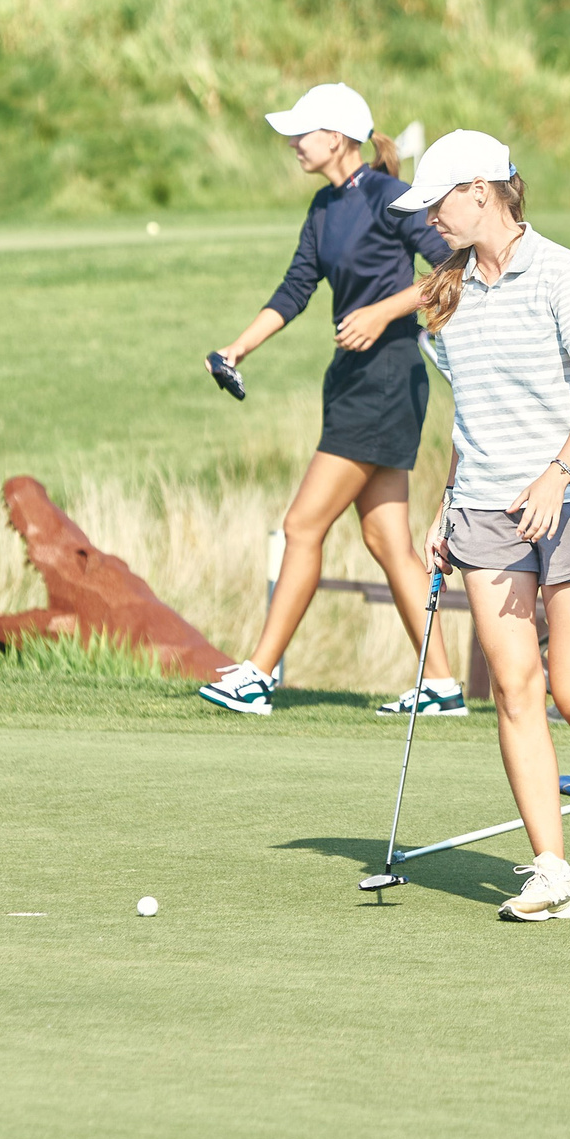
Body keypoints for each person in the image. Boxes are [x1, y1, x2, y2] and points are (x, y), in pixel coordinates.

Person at [396, 130, 570, 921]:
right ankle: (552, 870)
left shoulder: (563, 272)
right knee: (516, 690)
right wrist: (445, 506)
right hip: (484, 510)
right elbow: (469, 422)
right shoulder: (445, 294)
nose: (432, 220)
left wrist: (554, 476)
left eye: (441, 202)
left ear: (483, 190)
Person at [196, 84, 462, 719]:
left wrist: (380, 312)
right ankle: (444, 686)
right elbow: (294, 291)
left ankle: (258, 676)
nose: (293, 142)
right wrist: (235, 350)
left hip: (388, 382)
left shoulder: (390, 196)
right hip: (350, 384)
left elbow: (451, 270)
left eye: (303, 132)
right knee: (385, 539)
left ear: (339, 137)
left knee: (301, 526)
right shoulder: (323, 207)